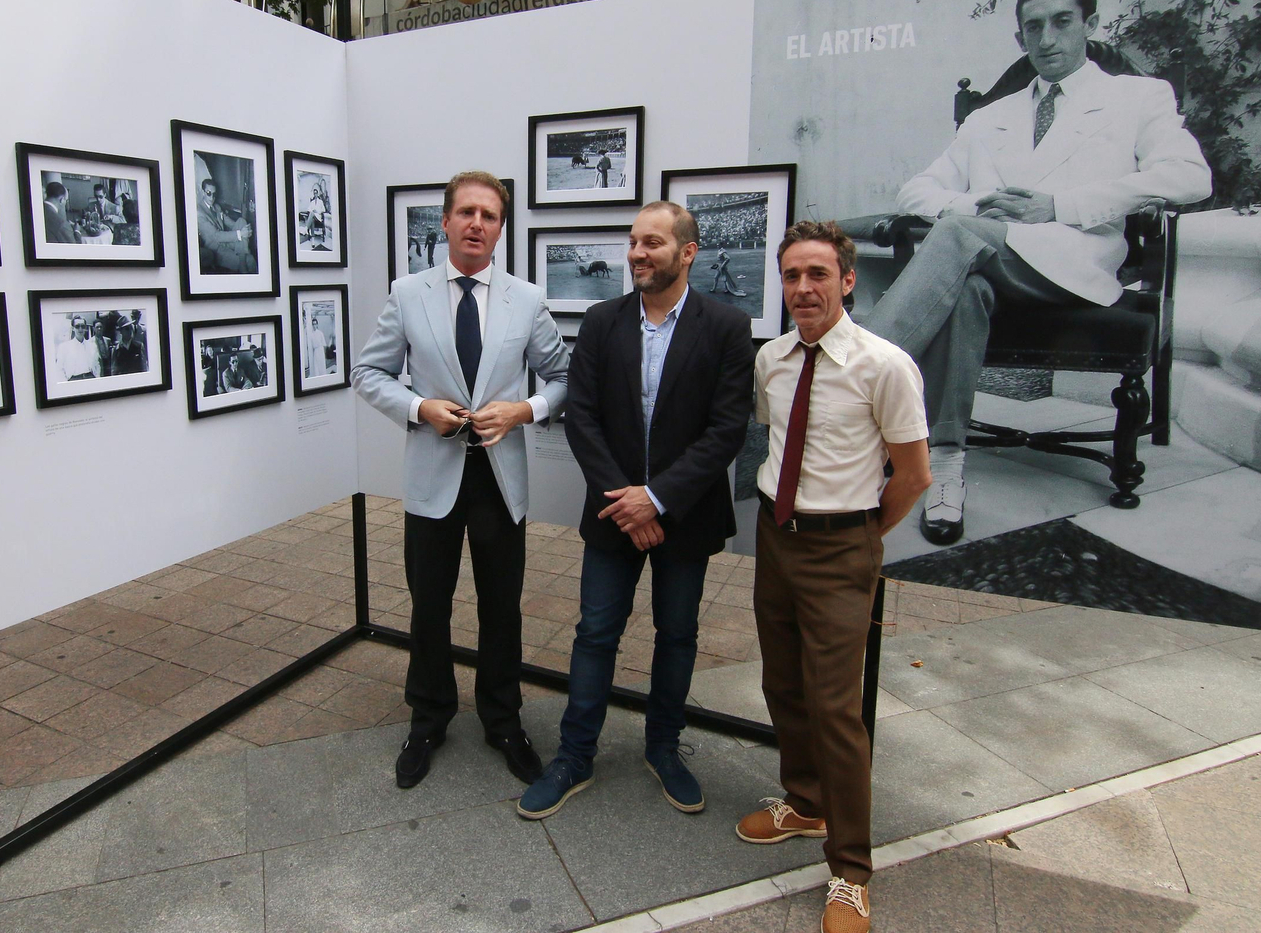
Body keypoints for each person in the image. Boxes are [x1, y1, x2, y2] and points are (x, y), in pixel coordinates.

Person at [867, 0, 1211, 545]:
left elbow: (1189, 177)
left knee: (953, 238)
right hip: (992, 261)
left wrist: (1061, 205)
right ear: (1020, 35)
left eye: (1062, 22)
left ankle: (851, 383)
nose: (1047, 38)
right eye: (1033, 27)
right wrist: (982, 204)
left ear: (1090, 25)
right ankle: (945, 466)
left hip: (1073, 267)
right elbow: (916, 191)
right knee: (965, 288)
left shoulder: (1137, 98)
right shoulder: (988, 117)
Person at [517, 201, 752, 820]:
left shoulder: (727, 325)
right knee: (595, 633)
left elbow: (725, 430)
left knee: (677, 636)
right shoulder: (601, 321)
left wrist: (659, 497)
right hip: (613, 512)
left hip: (687, 514)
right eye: (633, 242)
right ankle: (573, 756)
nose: (638, 253)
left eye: (652, 242)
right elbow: (583, 418)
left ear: (688, 252)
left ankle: (664, 748)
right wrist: (629, 500)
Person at [739, 220, 931, 933]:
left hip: (840, 546)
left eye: (818, 274)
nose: (803, 288)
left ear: (848, 281)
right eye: (792, 276)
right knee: (781, 681)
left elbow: (912, 476)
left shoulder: (885, 366)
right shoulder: (773, 360)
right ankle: (805, 800)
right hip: (775, 536)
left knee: (836, 710)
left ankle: (850, 869)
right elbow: (778, 439)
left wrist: (858, 540)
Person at [353, 170, 570, 790]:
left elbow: (563, 378)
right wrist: (420, 408)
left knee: (502, 608)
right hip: (434, 474)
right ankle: (428, 719)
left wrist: (525, 409)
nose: (478, 224)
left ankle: (503, 720)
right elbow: (370, 374)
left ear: (502, 229)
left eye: (490, 215)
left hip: (500, 480)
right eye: (467, 212)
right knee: (429, 605)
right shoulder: (407, 292)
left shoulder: (525, 299)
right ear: (445, 222)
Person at [197, 177, 255, 273]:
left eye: (214, 194)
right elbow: (216, 236)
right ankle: (243, 264)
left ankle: (241, 261)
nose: (212, 197)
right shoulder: (199, 212)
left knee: (241, 221)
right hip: (216, 249)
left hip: (226, 242)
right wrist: (240, 234)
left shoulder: (216, 207)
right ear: (203, 192)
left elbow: (231, 224)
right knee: (250, 260)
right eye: (208, 193)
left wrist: (245, 229)